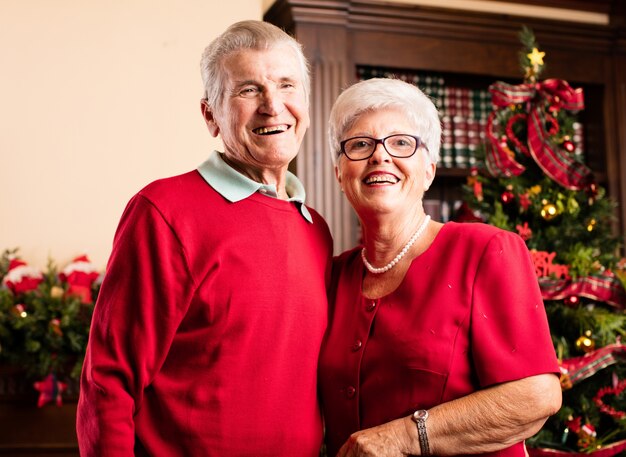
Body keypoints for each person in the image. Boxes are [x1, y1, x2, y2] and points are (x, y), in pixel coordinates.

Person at [77, 20, 332, 456]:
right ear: (210, 114)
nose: (273, 105)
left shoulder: (316, 228)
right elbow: (109, 382)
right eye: (248, 90)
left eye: (287, 85)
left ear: (305, 104)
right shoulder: (164, 212)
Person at [318, 78, 562, 457]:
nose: (380, 156)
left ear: (428, 170)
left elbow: (537, 395)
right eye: (360, 144)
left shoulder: (485, 250)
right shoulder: (330, 276)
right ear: (339, 173)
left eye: (401, 143)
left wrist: (401, 438)